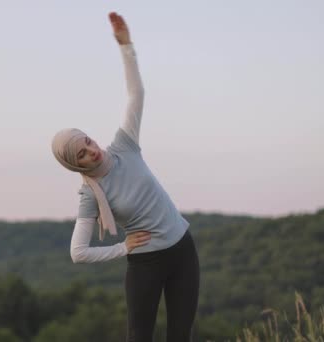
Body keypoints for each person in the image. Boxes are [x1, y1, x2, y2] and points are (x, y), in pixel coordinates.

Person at [51, 12, 200, 341]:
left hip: (183, 250)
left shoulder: (124, 146)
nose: (92, 151)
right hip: (145, 263)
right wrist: (123, 247)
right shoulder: (90, 193)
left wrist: (126, 46)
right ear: (74, 164)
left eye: (88, 141)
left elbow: (136, 95)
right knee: (139, 337)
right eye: (81, 154)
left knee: (181, 336)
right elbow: (78, 252)